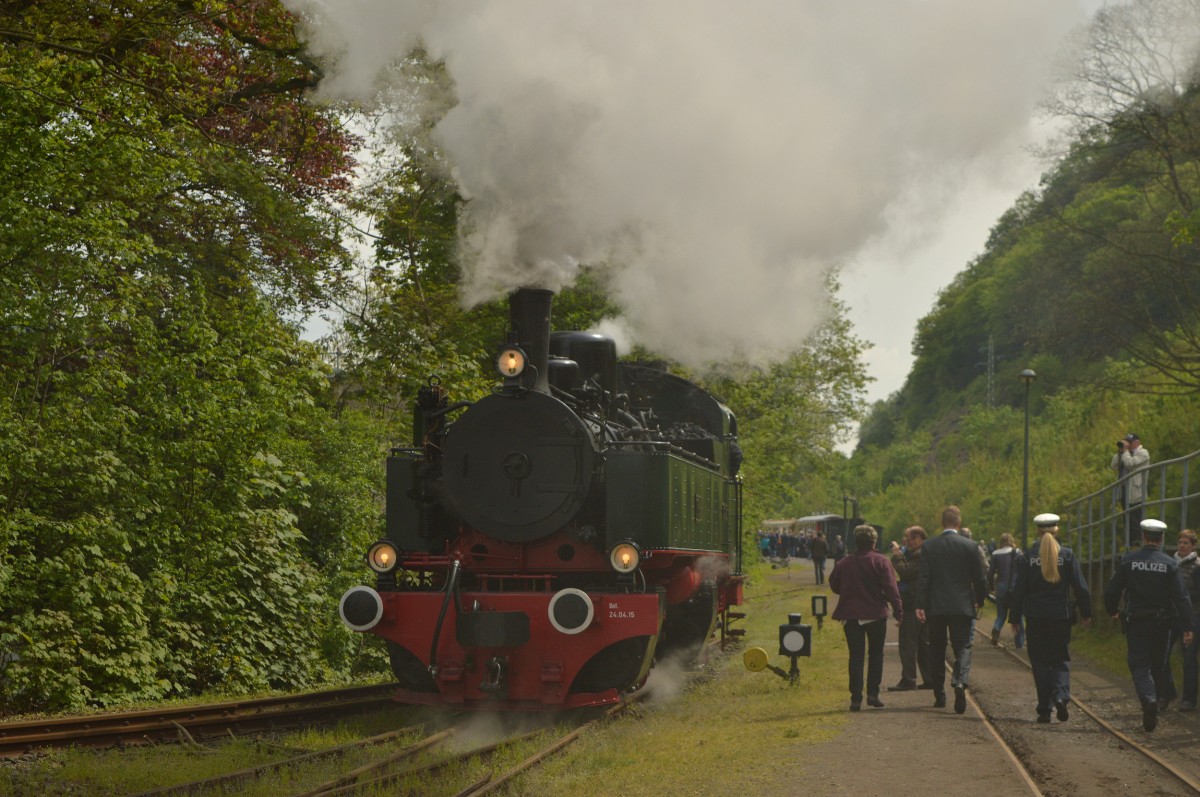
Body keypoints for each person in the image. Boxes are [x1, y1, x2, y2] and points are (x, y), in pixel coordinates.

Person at [1104, 518, 1194, 731]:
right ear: (1161, 539)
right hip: (1163, 623)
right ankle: (1155, 697)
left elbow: (1112, 590)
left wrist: (1112, 610)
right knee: (1158, 665)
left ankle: (1149, 699)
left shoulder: (1129, 560)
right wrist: (1188, 626)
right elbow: (1182, 597)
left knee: (1139, 664)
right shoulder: (1170, 564)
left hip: (1137, 622)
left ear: (1144, 537)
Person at [1007, 513, 1093, 723]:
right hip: (1060, 617)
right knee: (1061, 659)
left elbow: (1019, 591)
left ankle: (1045, 709)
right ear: (1056, 530)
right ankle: (1062, 696)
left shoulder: (1027, 557)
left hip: (1035, 617)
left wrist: (1014, 618)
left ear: (1038, 530)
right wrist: (1087, 613)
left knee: (1039, 662)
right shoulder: (1067, 555)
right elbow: (1081, 588)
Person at [916, 505, 988, 714]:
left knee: (936, 649)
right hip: (962, 606)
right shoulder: (970, 546)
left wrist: (919, 604)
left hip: (936, 607)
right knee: (963, 647)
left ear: (941, 523)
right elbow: (980, 579)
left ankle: (939, 695)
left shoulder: (929, 546)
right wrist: (980, 600)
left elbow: (924, 578)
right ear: (959, 523)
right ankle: (960, 680)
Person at [830, 525, 903, 711]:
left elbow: (834, 585)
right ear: (874, 541)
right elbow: (891, 589)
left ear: (856, 541)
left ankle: (855, 698)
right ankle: (873, 694)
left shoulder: (844, 563)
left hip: (851, 615)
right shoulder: (881, 561)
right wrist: (898, 611)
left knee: (855, 657)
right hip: (875, 614)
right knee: (876, 655)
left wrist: (848, 591)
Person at [889, 526, 933, 691]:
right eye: (907, 539)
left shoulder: (921, 555)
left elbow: (906, 571)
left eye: (911, 539)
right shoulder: (920, 554)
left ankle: (909, 679)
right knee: (923, 643)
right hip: (921, 603)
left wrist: (896, 555)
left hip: (914, 604)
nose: (908, 542)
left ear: (920, 538)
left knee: (908, 642)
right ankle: (929, 679)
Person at [1168, 529, 1200, 711]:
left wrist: (1182, 595)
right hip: (1172, 616)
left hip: (1192, 616)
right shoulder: (1171, 563)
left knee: (1189, 659)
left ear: (1193, 546)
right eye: (1180, 542)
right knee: (1162, 655)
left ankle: (1188, 699)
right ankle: (1167, 691)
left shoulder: (1197, 565)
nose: (1182, 546)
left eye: (1186, 543)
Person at [1111, 433, 1150, 546]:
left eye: (1130, 442)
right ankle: (1129, 543)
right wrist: (1120, 452)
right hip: (1124, 491)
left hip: (1136, 491)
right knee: (1127, 519)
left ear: (1137, 442)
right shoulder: (1125, 454)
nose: (1128, 444)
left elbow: (1130, 464)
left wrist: (1126, 452)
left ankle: (1138, 543)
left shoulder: (1143, 453)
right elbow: (1113, 465)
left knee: (1136, 519)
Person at [989, 533, 1025, 649]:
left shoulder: (995, 554)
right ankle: (1019, 643)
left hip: (1000, 586)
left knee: (1001, 614)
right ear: (1011, 541)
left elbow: (990, 573)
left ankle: (996, 628)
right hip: (1015, 587)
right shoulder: (1018, 552)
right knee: (1018, 615)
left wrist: (991, 587)